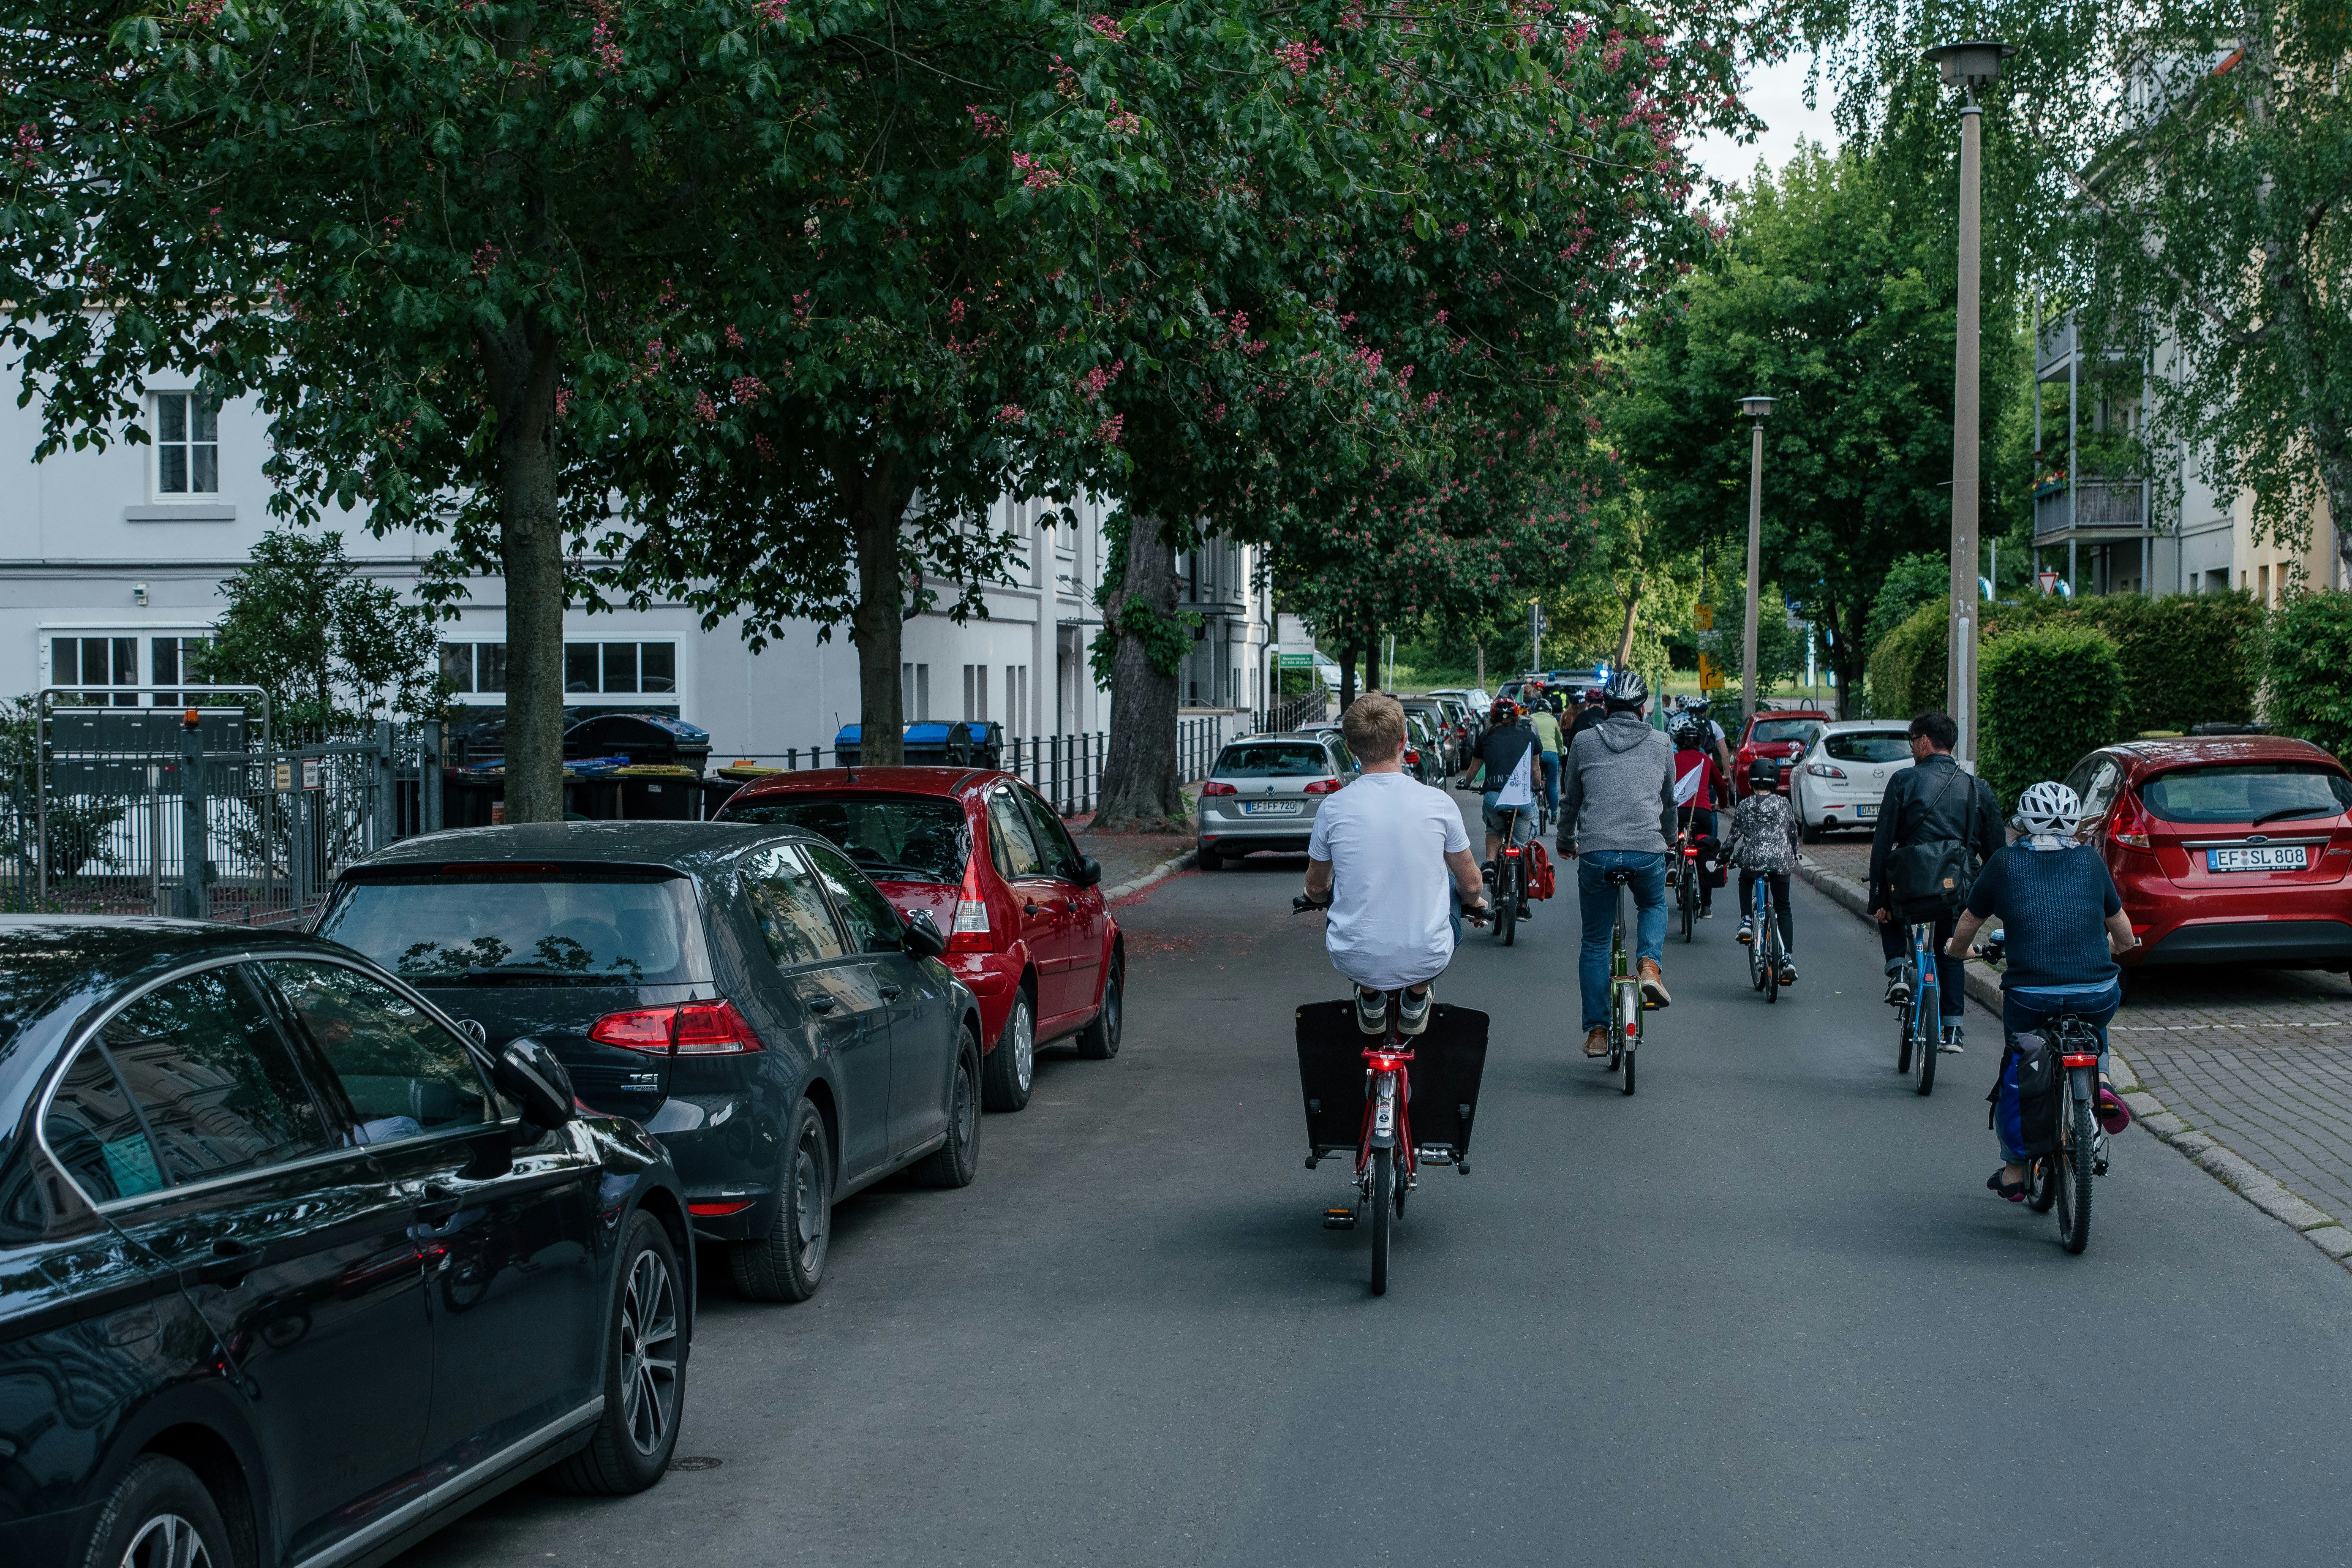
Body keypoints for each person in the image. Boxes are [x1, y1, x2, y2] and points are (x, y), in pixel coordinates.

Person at [1946, 781, 2142, 1200]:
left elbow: (1969, 919)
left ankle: (2016, 1171)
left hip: (2031, 993)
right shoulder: (2090, 861)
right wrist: (2110, 947)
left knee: (2020, 1064)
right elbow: (2123, 934)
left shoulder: (2004, 863)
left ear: (2022, 821)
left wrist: (1957, 951)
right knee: (2094, 1016)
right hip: (2096, 989)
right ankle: (2103, 1083)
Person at [1304, 694, 1490, 1036]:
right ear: (1404, 741)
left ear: (1350, 747)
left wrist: (1318, 898)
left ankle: (1371, 996)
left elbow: (1316, 888)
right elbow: (1472, 884)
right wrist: (1473, 902)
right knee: (1450, 885)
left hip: (1353, 957)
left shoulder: (1333, 809)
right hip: (1426, 956)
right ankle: (1417, 996)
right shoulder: (1438, 804)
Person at [1867, 711, 2004, 1053]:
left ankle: (1899, 971)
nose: (1912, 749)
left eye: (1913, 742)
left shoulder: (1902, 781)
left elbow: (1883, 844)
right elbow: (1997, 854)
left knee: (1890, 913)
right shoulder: (1978, 788)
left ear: (1925, 742)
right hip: (1955, 889)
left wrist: (1879, 899)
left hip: (1910, 888)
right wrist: (1996, 901)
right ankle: (1954, 1030)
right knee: (1951, 945)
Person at [1560, 669, 1677, 1055]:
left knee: (1595, 941)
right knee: (1654, 902)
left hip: (1597, 852)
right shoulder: (1662, 743)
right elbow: (1668, 802)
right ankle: (1649, 966)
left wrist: (1565, 840)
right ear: (1643, 709)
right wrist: (1671, 838)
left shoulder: (1584, 741)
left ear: (1605, 707)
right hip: (1647, 851)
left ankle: (1596, 1031)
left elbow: (1571, 800)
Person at [1727, 756, 1799, 983]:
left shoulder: (1745, 805)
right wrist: (1794, 852)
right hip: (1781, 861)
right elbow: (1792, 833)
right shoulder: (1784, 805)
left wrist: (1723, 856)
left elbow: (1733, 837)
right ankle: (1786, 957)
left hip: (1752, 860)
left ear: (1750, 783)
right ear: (1776, 783)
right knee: (1784, 908)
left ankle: (1747, 920)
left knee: (1745, 880)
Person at [1459, 696, 1543, 872]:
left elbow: (1474, 770)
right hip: (1523, 799)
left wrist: (1466, 784)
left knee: (1494, 829)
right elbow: (1535, 770)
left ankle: (1490, 863)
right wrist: (1537, 787)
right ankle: (1522, 884)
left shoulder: (1485, 737)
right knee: (1521, 846)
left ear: (1492, 718)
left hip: (1494, 799)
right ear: (1517, 717)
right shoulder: (1530, 736)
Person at [1668, 713, 1730, 918]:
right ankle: (1706, 906)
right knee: (1705, 853)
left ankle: (1671, 864)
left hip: (1677, 811)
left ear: (1677, 743)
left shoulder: (1673, 759)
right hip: (1702, 812)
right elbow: (1721, 785)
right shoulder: (1705, 759)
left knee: (1669, 838)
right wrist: (1723, 803)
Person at [1529, 694, 1565, 824]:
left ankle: (1530, 810)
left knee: (1531, 783)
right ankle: (1554, 814)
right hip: (1551, 754)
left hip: (1535, 755)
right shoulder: (1553, 719)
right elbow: (1559, 739)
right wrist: (1560, 752)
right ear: (1548, 710)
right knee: (1552, 784)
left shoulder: (1531, 719)